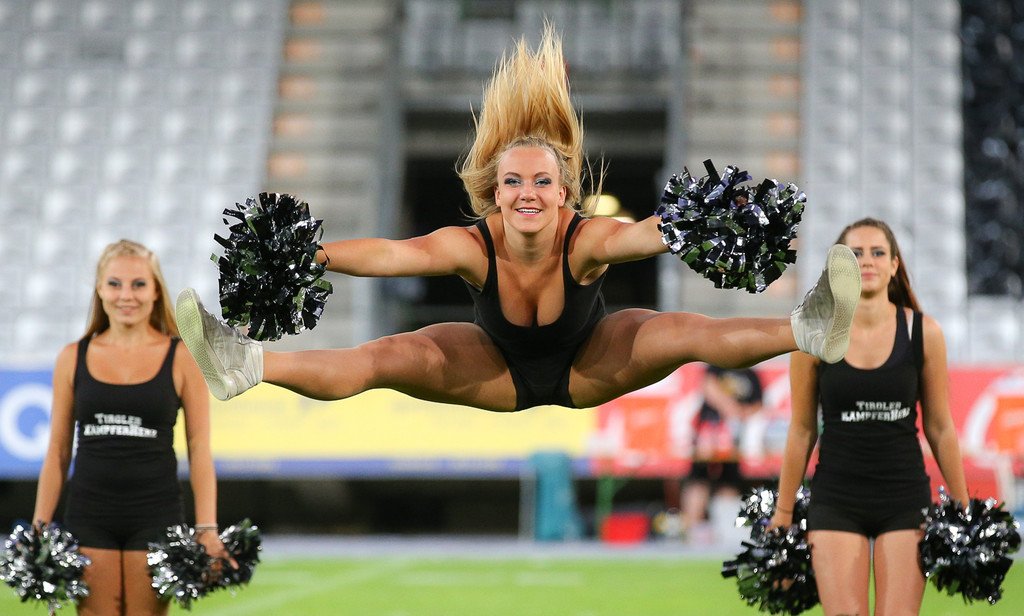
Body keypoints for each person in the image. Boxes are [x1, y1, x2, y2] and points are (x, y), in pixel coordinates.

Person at [175, 27, 861, 416]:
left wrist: (701, 220)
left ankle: (809, 329)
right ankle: (246, 364)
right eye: (512, 182)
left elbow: (644, 234)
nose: (527, 193)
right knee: (387, 356)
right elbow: (393, 254)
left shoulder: (585, 239)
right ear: (493, 194)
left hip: (590, 366)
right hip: (494, 370)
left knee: (681, 331)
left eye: (541, 181)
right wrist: (311, 255)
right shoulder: (470, 244)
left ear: (564, 192)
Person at [770, 218, 969, 615]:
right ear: (838, 267)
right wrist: (783, 512)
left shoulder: (924, 332)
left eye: (878, 252)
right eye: (855, 254)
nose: (867, 261)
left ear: (895, 264)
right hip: (836, 498)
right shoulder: (812, 333)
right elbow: (802, 430)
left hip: (904, 496)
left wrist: (964, 507)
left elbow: (940, 427)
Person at [32, 239, 232, 616]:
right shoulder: (72, 357)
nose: (127, 295)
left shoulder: (182, 357)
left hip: (155, 515)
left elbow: (199, 449)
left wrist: (207, 527)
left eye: (139, 284)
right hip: (89, 515)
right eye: (115, 284)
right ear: (99, 289)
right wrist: (39, 527)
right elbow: (57, 452)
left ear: (156, 291)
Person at [680, 364, 763, 541]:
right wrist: (730, 408)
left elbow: (758, 404)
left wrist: (740, 414)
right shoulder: (717, 366)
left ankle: (726, 530)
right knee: (699, 478)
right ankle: (690, 529)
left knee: (729, 481)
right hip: (709, 433)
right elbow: (708, 386)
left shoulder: (751, 374)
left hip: (735, 439)